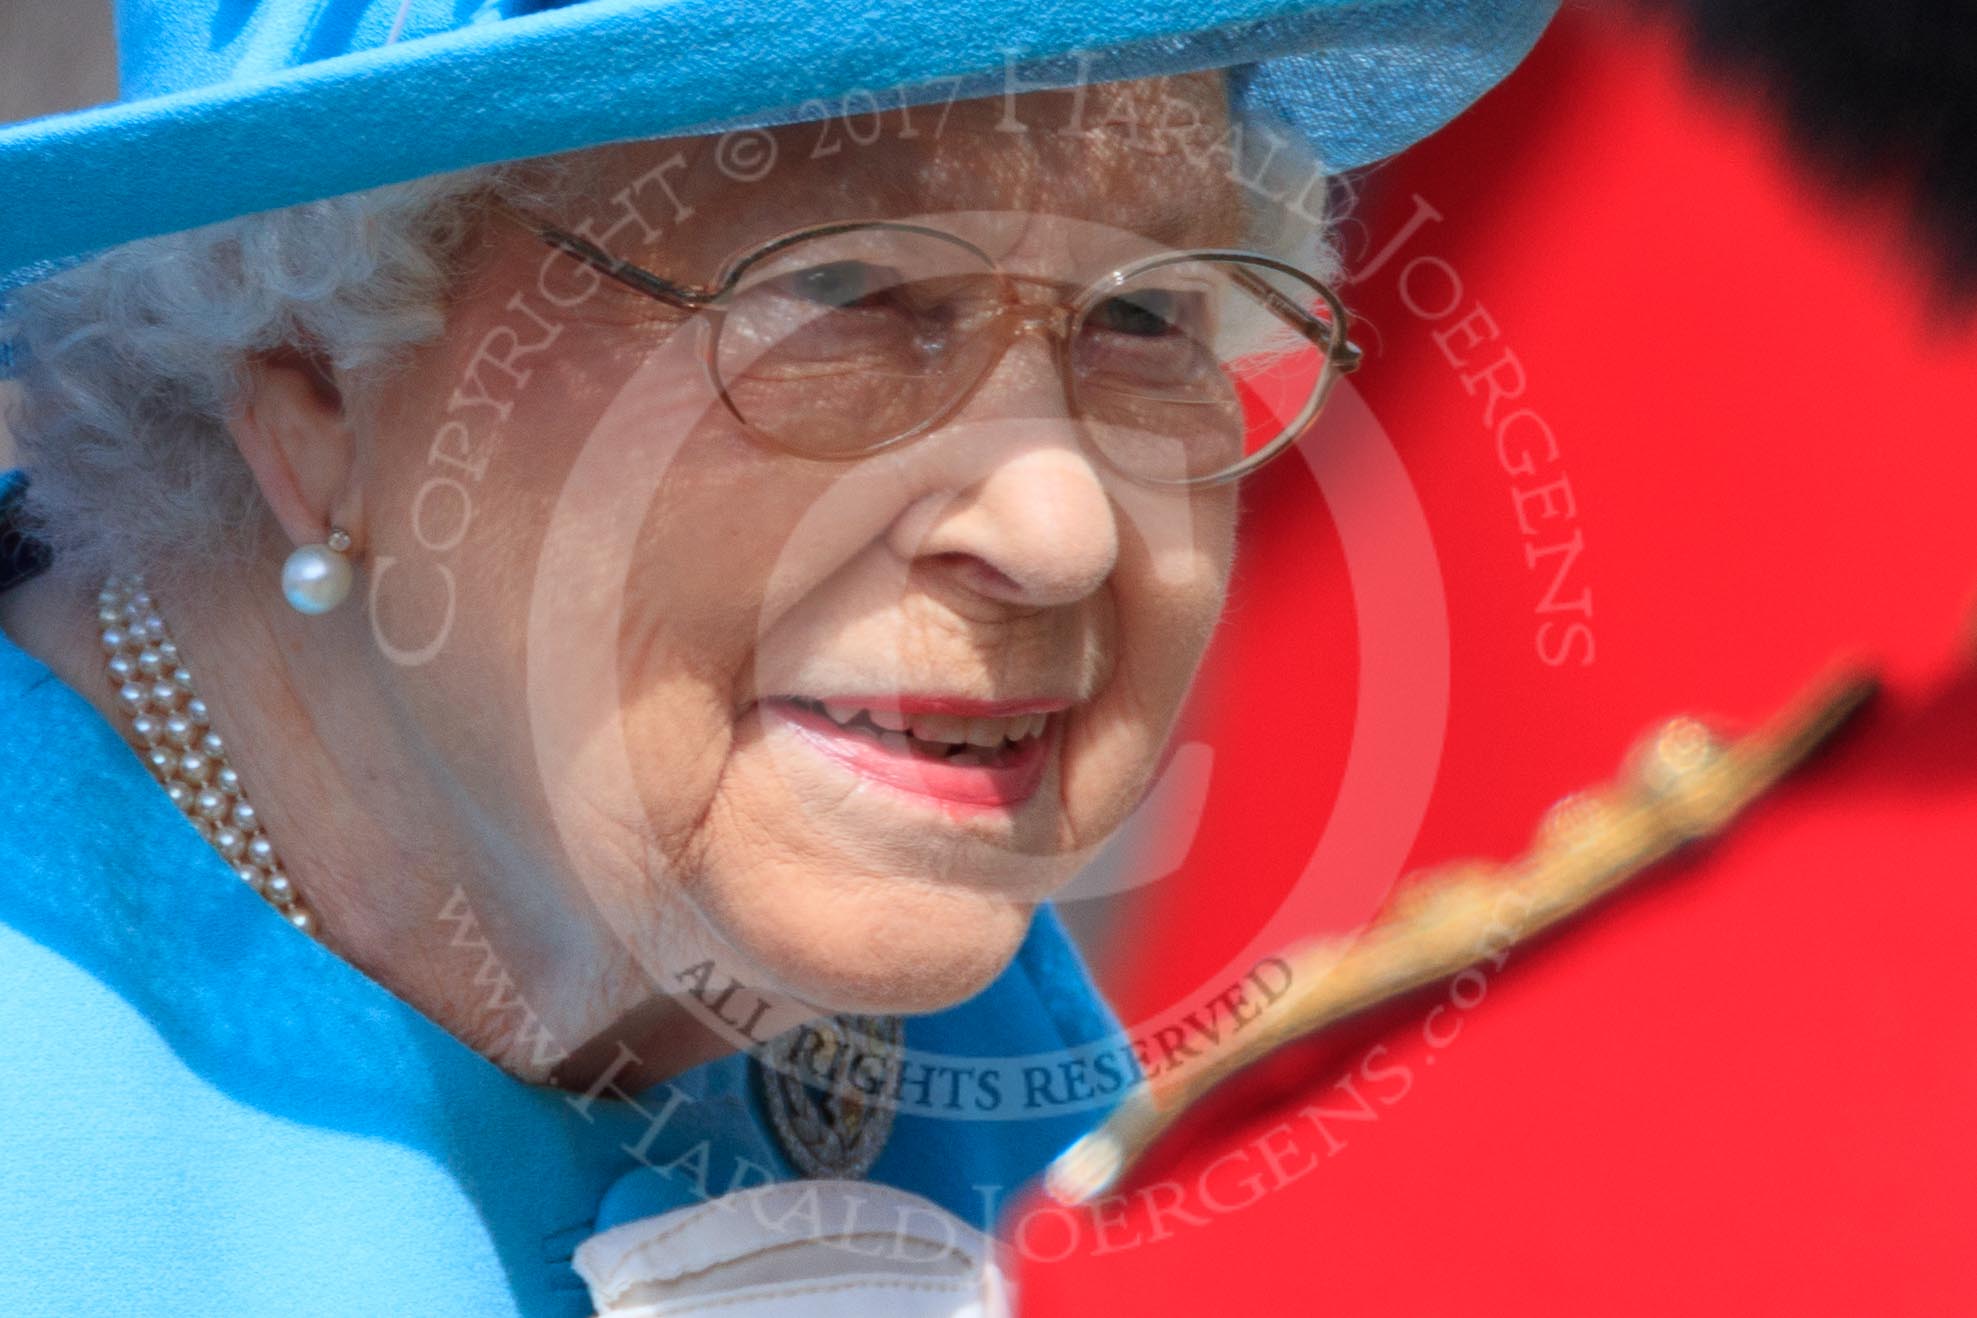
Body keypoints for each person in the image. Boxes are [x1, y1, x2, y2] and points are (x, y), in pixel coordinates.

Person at [0, 1, 1556, 1313]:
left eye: (1147, 315)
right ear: (318, 401)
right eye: (841, 292)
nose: (1061, 526)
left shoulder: (945, 1017)